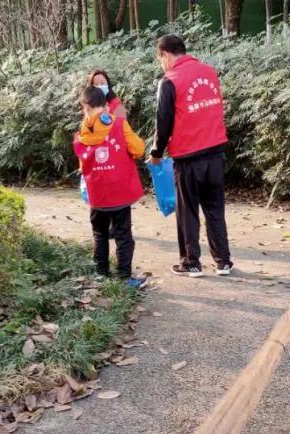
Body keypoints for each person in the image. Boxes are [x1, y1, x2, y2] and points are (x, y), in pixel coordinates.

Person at [150, 34, 234, 278]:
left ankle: (191, 263)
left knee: (187, 211)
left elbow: (163, 123)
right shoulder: (209, 72)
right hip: (216, 152)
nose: (161, 64)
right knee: (215, 209)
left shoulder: (169, 81)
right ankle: (223, 262)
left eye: (160, 59)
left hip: (188, 157)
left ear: (165, 54)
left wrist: (156, 153)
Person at [73, 86, 147, 288]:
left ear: (85, 107)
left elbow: (82, 160)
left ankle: (101, 273)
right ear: (105, 105)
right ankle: (124, 277)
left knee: (100, 233)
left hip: (97, 193)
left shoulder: (83, 131)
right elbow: (139, 149)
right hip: (120, 192)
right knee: (123, 235)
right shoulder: (120, 124)